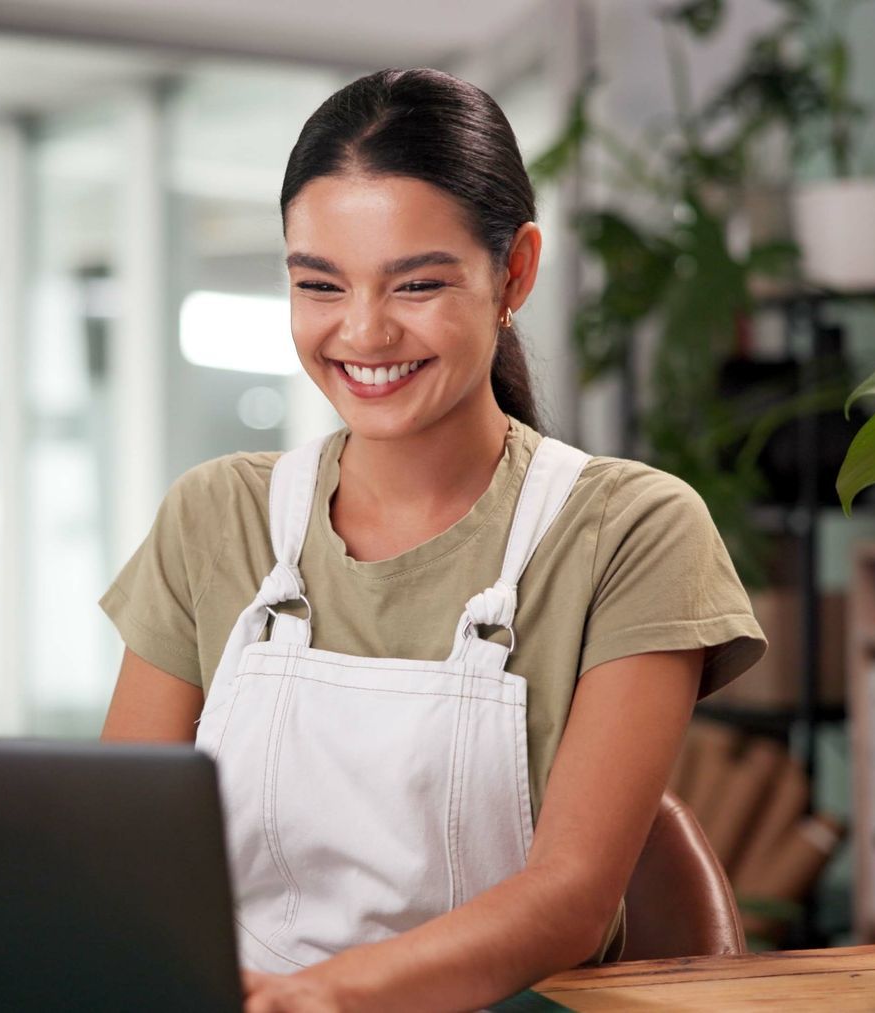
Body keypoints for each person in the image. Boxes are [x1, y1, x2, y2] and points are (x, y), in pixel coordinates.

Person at [99, 67, 767, 1013]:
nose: (363, 332)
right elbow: (121, 851)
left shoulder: (630, 529)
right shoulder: (218, 516)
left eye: (416, 284)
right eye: (319, 284)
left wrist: (318, 996)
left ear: (516, 272)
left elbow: (571, 900)